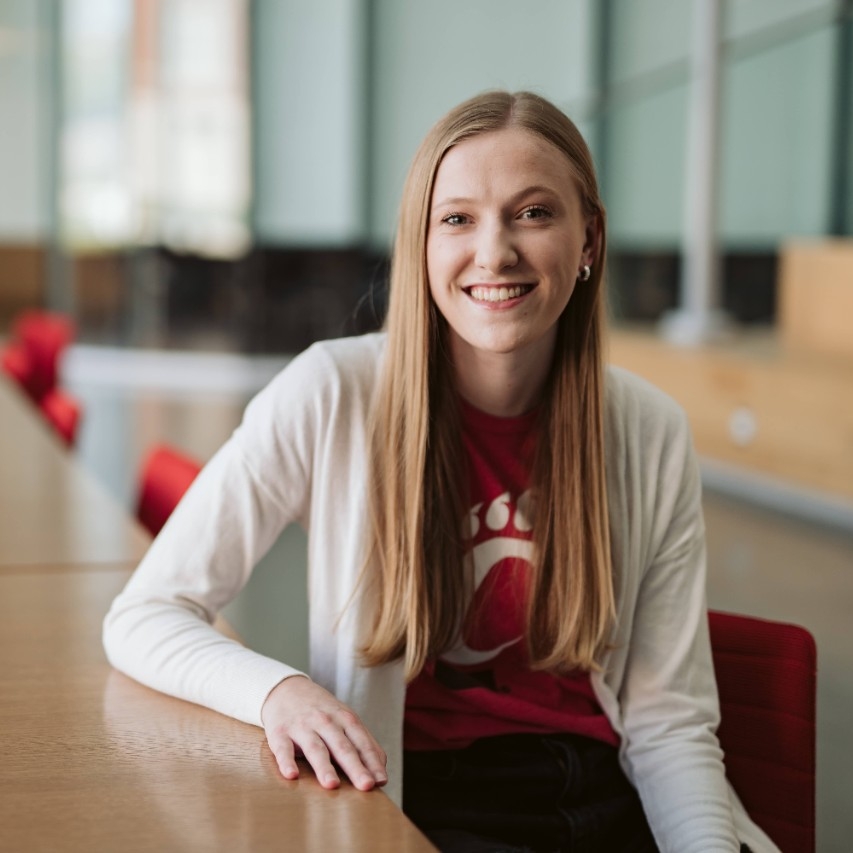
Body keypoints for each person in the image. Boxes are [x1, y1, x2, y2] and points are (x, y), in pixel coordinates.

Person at [104, 90, 779, 853]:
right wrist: (277, 692)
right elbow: (145, 614)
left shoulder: (647, 430)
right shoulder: (330, 392)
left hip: (606, 797)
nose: (494, 252)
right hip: (425, 803)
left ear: (589, 237)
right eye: (457, 218)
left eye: (532, 213)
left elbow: (667, 721)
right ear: (418, 243)